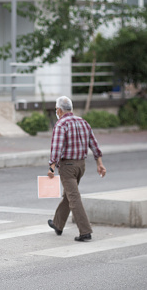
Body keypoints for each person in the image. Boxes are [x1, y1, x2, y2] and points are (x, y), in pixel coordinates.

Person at [47, 96, 106, 242]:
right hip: (81, 166)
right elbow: (94, 144)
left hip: (67, 167)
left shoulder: (61, 124)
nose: (56, 112)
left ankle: (85, 231)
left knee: (73, 197)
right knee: (69, 194)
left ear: (59, 110)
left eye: (56, 110)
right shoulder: (83, 122)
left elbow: (56, 147)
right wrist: (100, 163)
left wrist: (51, 167)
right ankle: (58, 224)